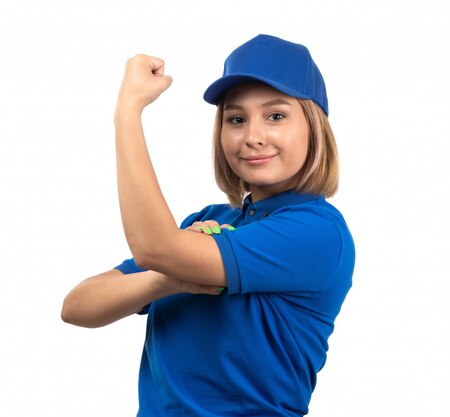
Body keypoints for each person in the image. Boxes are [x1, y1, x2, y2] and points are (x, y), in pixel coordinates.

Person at [62, 34, 355, 417]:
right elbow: (77, 306)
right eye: (236, 119)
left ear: (314, 127)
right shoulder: (206, 222)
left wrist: (128, 111)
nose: (252, 137)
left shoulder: (318, 232)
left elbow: (155, 248)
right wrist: (163, 280)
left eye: (276, 116)